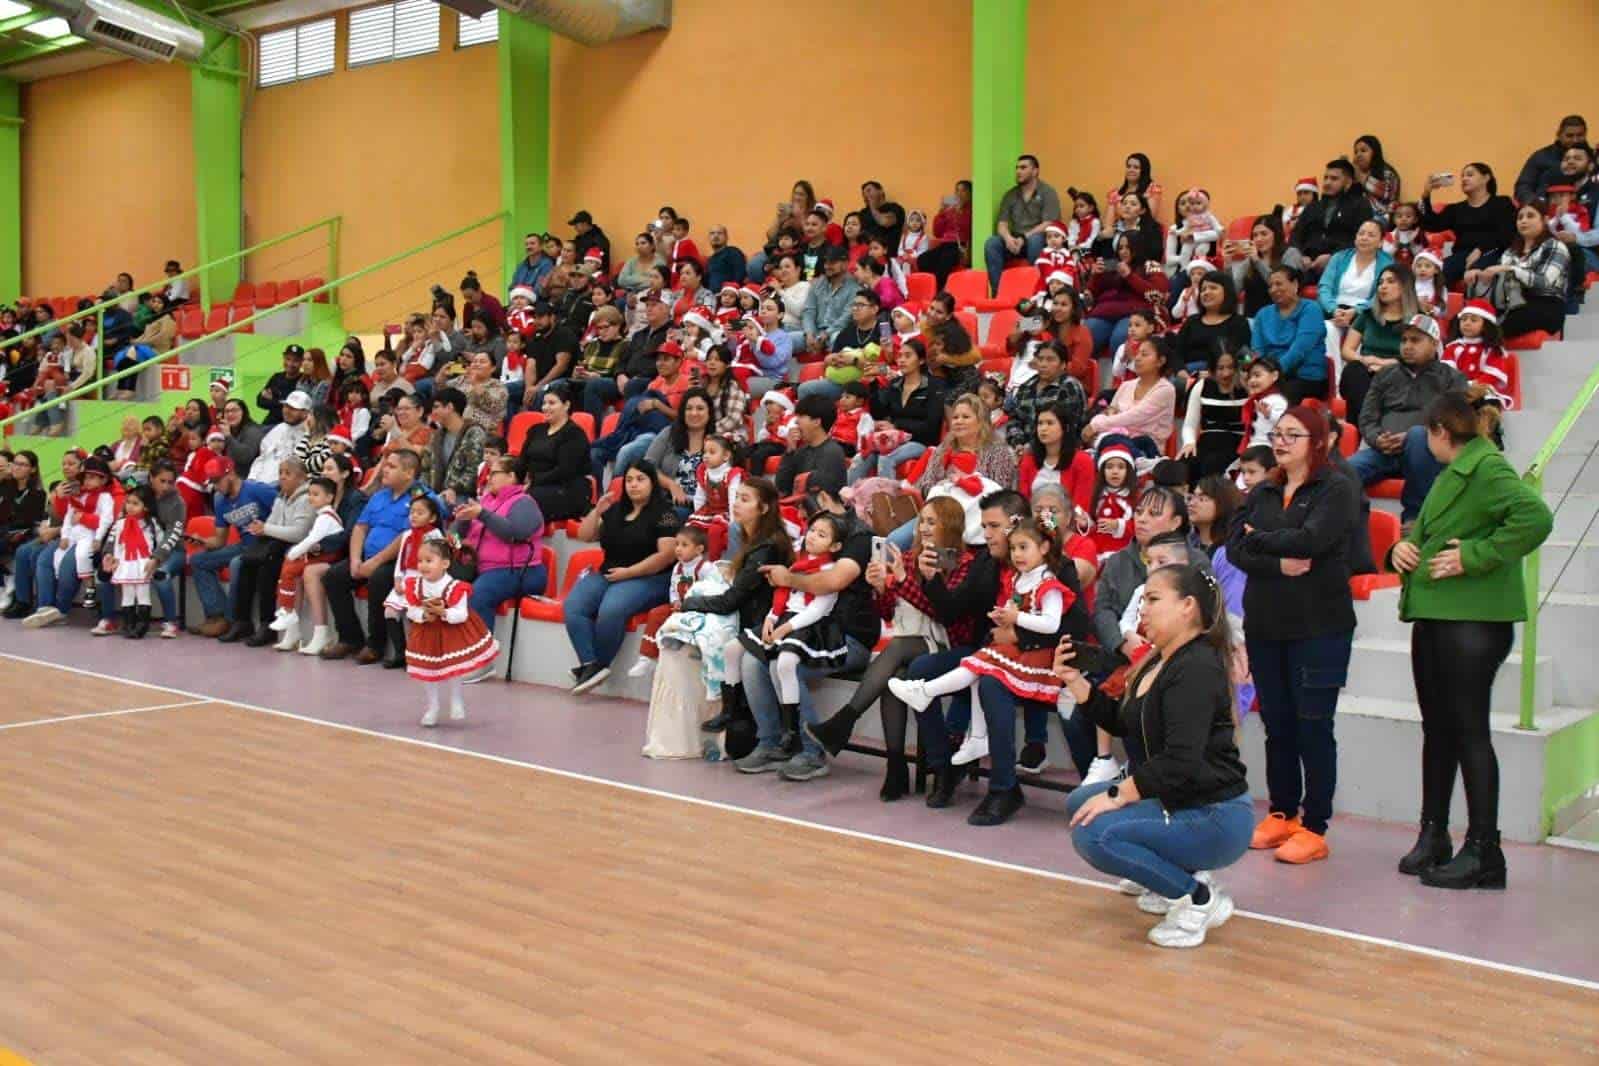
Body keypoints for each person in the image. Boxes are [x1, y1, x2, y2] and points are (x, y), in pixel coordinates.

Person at [1391, 393, 1552, 889]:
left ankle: (1485, 850)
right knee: (1439, 731)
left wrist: (1476, 556)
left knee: (1469, 734)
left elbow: (1536, 518)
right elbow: (1439, 531)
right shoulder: (1458, 472)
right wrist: (1400, 548)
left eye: (1425, 435)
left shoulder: (1487, 468)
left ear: (1441, 432)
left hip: (1472, 623)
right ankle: (1434, 833)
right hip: (1439, 616)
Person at [1058, 563, 1253, 948]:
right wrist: (1076, 684)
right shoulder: (1159, 659)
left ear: (1188, 607)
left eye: (1152, 598)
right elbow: (1123, 723)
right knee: (1081, 802)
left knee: (1093, 832)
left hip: (1214, 814)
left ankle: (1197, 899)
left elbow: (1181, 761)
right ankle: (1173, 874)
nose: (1142, 608)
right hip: (1179, 797)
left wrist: (1117, 795)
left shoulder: (1196, 666)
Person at [1228, 405, 1358, 865]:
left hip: (1319, 626)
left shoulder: (1337, 488)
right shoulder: (1264, 489)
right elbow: (1234, 546)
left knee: (1313, 726)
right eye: (1277, 433)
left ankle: (1315, 823)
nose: (1281, 442)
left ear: (1317, 442)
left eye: (1293, 435)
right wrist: (1276, 560)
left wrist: (1258, 539)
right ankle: (1282, 811)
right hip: (1267, 624)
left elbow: (1313, 541)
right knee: (1278, 726)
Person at [805, 498, 976, 800]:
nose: (923, 527)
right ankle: (895, 766)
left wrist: (901, 581)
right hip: (911, 642)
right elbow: (888, 613)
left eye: (932, 522)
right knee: (892, 677)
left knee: (897, 650)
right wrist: (880, 590)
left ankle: (846, 722)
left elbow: (944, 614)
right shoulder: (909, 557)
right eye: (922, 520)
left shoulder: (962, 563)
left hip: (947, 643)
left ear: (950, 525)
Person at [564, 459, 678, 694]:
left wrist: (630, 572)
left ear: (652, 482)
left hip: (649, 577)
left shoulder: (666, 514)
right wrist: (596, 511)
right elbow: (585, 536)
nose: (633, 485)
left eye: (640, 479)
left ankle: (600, 664)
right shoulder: (615, 510)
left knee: (611, 608)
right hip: (610, 573)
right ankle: (590, 664)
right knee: (574, 606)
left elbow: (666, 555)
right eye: (629, 480)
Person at [321, 449, 437, 665]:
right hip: (367, 556)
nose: (384, 469)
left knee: (379, 579)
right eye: (385, 464)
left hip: (399, 560)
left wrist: (375, 562)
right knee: (334, 577)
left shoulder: (421, 499)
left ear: (409, 472)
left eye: (391, 466)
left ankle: (376, 645)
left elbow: (408, 535)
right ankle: (350, 638)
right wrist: (356, 559)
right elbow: (360, 527)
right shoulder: (379, 495)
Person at [1350, 315, 1466, 523]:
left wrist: (1413, 436)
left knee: (1417, 435)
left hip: (1429, 453)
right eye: (1404, 340)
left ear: (1434, 344)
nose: (1407, 346)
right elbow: (1367, 417)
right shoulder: (1385, 375)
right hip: (1385, 450)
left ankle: (1415, 518)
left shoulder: (1452, 378)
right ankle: (1354, 522)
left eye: (1415, 340)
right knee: (1343, 470)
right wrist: (1377, 439)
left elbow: (1453, 420)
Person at [402, 539, 501, 727]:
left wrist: (443, 613)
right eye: (420, 560)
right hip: (426, 633)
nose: (423, 565)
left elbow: (461, 614)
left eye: (429, 560)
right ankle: (433, 706)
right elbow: (411, 609)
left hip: (451, 631)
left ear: (445, 564)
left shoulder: (456, 587)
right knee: (428, 670)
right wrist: (423, 615)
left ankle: (456, 698)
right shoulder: (415, 585)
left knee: (453, 666)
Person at [452, 455, 548, 635]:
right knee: (441, 586)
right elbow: (454, 537)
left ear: (511, 476)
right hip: (479, 567)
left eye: (494, 473)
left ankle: (482, 656)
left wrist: (482, 514)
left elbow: (516, 534)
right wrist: (463, 521)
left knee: (479, 595)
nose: (489, 478)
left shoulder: (524, 502)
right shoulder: (486, 501)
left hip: (519, 571)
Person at [267, 474, 344, 650]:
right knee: (289, 572)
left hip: (329, 557)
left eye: (316, 494)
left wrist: (294, 553)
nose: (310, 498)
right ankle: (292, 630)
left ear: (329, 497)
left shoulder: (326, 517)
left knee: (289, 566)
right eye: (309, 493)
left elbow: (311, 540)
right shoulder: (321, 515)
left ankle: (288, 614)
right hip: (319, 555)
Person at [1339, 263, 1419, 422]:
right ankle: (1366, 426)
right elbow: (1347, 350)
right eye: (1381, 282)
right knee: (1354, 370)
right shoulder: (1368, 315)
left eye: (1391, 281)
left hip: (1400, 373)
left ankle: (1369, 426)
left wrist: (1383, 363)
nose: (1383, 286)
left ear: (1405, 285)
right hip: (1366, 372)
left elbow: (1422, 357)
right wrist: (1365, 361)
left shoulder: (1419, 318)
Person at [1481, 202, 1571, 338]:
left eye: (1530, 216)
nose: (1524, 220)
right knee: (1469, 318)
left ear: (1545, 220)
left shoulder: (1555, 246)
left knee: (1491, 328)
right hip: (1512, 303)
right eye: (1520, 217)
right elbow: (1499, 284)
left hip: (1546, 305)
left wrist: (1511, 269)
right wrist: (1481, 276)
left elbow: (1543, 282)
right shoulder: (1510, 252)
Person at [1419, 163, 1518, 285]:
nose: (1464, 179)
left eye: (1470, 175)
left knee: (1476, 273)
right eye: (1463, 176)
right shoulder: (1456, 209)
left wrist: (1480, 249)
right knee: (1437, 274)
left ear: (1486, 178)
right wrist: (1426, 195)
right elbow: (1431, 225)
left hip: (1493, 251)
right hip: (1462, 255)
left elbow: (1507, 233)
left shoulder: (1502, 203)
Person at [1251, 265, 1331, 404]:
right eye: (1270, 286)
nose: (1273, 289)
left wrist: (1272, 375)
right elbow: (1257, 350)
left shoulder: (1311, 309)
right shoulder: (1263, 314)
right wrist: (1254, 372)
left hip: (1306, 377)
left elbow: (1299, 350)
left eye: (1279, 284)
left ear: (1295, 284)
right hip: (1271, 376)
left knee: (1278, 398)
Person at [983, 155, 1064, 291]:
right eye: (1017, 168)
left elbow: (1049, 223)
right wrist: (1008, 238)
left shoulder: (1047, 192)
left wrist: (1024, 237)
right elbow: (1002, 224)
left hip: (1039, 237)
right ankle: (999, 293)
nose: (1018, 171)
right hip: (1015, 240)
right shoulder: (1010, 195)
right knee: (992, 243)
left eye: (1023, 167)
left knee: (1035, 240)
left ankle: (1036, 291)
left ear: (1035, 171)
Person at [1082, 336, 1177, 451]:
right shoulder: (1126, 385)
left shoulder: (1165, 390)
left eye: (1144, 354)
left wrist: (1096, 424)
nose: (1137, 358)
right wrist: (1103, 419)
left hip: (1145, 449)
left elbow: (1134, 416)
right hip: (1115, 441)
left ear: (1161, 361)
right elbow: (1110, 412)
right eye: (1137, 354)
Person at [516, 383, 592, 522]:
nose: (545, 407)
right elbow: (522, 461)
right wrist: (514, 480)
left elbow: (565, 471)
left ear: (567, 405)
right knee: (503, 491)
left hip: (565, 488)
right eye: (544, 403)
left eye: (551, 403)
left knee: (524, 501)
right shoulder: (536, 429)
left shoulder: (574, 434)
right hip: (536, 485)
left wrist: (533, 482)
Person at [1085, 233, 1169, 356]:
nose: (1123, 251)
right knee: (1087, 335)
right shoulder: (1111, 266)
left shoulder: (1150, 265)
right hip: (1104, 313)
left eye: (1128, 247)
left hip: (1134, 314)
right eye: (1121, 248)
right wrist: (1095, 276)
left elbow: (1158, 295)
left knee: (1119, 338)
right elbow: (1090, 297)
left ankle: (1121, 375)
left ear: (1138, 247)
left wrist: (1130, 276)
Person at [1288, 159, 1374, 275]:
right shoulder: (1313, 207)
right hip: (1306, 263)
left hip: (1339, 261)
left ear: (1348, 182)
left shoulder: (1360, 205)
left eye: (1334, 179)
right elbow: (1295, 236)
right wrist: (1302, 256)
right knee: (1291, 253)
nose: (1327, 182)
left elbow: (1362, 240)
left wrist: (1332, 256)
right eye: (1326, 178)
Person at [100, 484, 163, 639]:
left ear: (146, 507)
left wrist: (157, 559)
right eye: (128, 502)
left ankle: (142, 624)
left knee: (142, 593)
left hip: (143, 564)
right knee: (127, 594)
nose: (130, 507)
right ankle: (128, 623)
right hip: (124, 563)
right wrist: (108, 555)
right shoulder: (119, 523)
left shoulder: (151, 524)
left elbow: (161, 542)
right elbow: (110, 541)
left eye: (136, 503)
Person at [1179, 343, 1249, 479]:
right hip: (1207, 441)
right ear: (1211, 369)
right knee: (1183, 465)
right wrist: (1189, 442)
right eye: (1220, 368)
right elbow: (1189, 424)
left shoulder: (1246, 387)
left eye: (1230, 367)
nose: (1226, 373)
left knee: (1213, 465)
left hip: (1237, 443)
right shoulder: (1202, 386)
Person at [775, 393, 848, 498]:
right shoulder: (801, 451)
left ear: (816, 422)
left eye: (801, 416)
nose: (796, 421)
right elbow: (781, 488)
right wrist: (790, 451)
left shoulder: (832, 452)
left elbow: (823, 495)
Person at [427, 388, 487, 505]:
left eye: (436, 407)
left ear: (450, 407)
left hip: (464, 495)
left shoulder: (474, 433)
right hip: (439, 493)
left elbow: (474, 471)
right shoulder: (438, 435)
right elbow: (427, 467)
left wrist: (454, 489)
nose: (433, 412)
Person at [1513, 114, 1589, 204]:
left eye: (1580, 135)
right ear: (1559, 135)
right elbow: (1523, 186)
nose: (1575, 140)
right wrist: (1536, 204)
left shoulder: (1592, 158)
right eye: (1569, 136)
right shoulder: (1541, 157)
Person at [915, 180, 974, 290]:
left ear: (970, 194)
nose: (959, 194)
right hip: (945, 245)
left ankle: (937, 290)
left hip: (959, 246)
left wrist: (960, 212)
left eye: (963, 190)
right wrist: (941, 212)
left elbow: (968, 229)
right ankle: (936, 286)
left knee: (945, 260)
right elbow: (937, 233)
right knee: (922, 260)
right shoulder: (949, 211)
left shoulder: (972, 210)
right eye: (957, 191)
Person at [248, 389, 311, 483]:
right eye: (286, 406)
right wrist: (251, 478)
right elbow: (262, 457)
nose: (287, 411)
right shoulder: (278, 428)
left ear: (305, 413)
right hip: (258, 481)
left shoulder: (309, 436)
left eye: (293, 409)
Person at [1231, 214, 1288, 317]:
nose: (1258, 239)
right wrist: (1227, 263)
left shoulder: (1290, 254)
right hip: (1252, 320)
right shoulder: (1250, 260)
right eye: (1255, 235)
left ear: (1276, 234)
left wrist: (1257, 261)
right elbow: (1232, 292)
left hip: (1280, 319)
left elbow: (1284, 288)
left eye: (1264, 234)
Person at [1352, 134, 1403, 224]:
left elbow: (1387, 194)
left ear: (1375, 152)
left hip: (1384, 217)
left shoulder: (1387, 172)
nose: (1358, 155)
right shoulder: (1355, 175)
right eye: (1356, 152)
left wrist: (1362, 177)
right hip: (1361, 218)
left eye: (1363, 151)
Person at [256, 344, 306, 425]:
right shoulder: (276, 377)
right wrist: (281, 402)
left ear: (301, 363)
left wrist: (272, 400)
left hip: (289, 426)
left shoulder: (303, 381)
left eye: (295, 360)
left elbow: (294, 410)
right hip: (269, 423)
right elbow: (259, 401)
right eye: (288, 359)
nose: (290, 363)